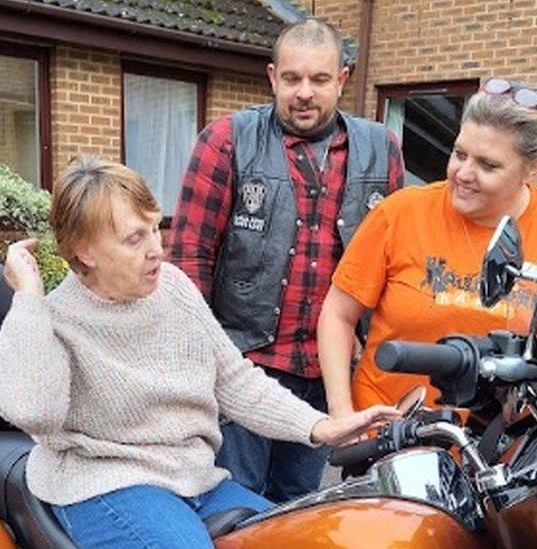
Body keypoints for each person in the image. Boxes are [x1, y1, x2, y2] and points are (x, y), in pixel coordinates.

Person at [0, 156, 401, 548]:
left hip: (196, 478)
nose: (156, 248)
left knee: (305, 537)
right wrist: (29, 298)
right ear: (84, 251)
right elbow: (33, 412)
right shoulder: (54, 319)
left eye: (154, 228)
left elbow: (232, 378)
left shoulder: (172, 286)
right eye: (135, 238)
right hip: (105, 482)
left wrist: (319, 426)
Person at [168, 18, 404, 502]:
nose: (304, 93)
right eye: (292, 78)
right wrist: (201, 363)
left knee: (301, 504)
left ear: (342, 79)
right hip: (243, 367)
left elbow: (391, 264)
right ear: (272, 76)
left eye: (319, 79)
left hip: (325, 373)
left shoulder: (381, 150)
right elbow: (189, 259)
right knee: (235, 503)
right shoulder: (227, 141)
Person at [318, 78, 537, 415]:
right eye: (460, 154)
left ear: (533, 169)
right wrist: (343, 417)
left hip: (500, 451)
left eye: (488, 165)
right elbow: (338, 316)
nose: (463, 173)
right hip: (391, 436)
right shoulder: (401, 212)